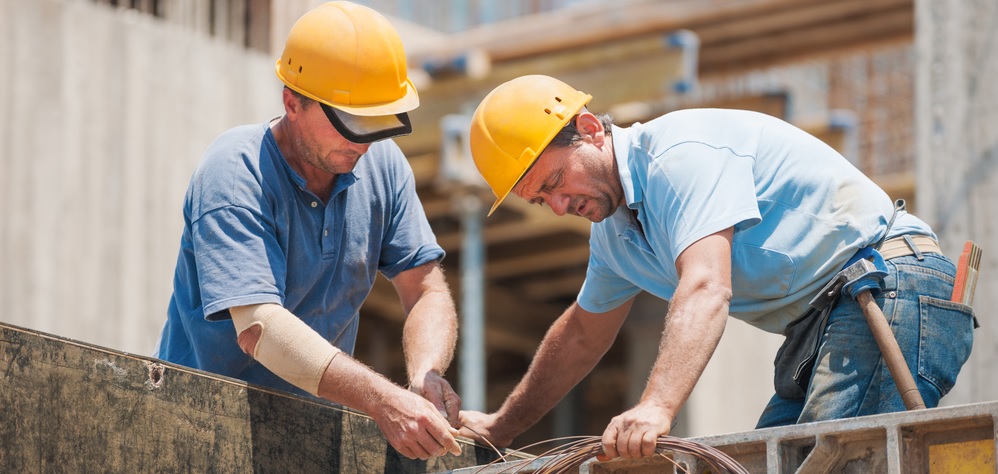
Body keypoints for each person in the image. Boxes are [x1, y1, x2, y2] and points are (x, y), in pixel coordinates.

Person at [457, 74, 975, 459]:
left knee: (829, 462)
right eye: (540, 201)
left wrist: (656, 407)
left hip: (891, 287)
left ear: (590, 130)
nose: (559, 205)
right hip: (831, 322)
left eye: (554, 182)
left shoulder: (679, 157)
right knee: (757, 465)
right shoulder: (615, 237)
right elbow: (580, 337)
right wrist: (502, 427)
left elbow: (706, 287)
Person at [154, 2, 462, 460]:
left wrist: (425, 375)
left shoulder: (383, 166)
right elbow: (260, 328)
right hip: (199, 430)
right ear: (292, 102)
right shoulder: (236, 172)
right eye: (349, 122)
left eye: (376, 122)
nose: (362, 141)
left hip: (312, 437)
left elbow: (426, 290)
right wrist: (382, 399)